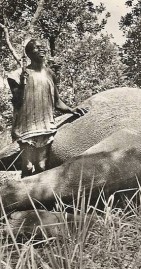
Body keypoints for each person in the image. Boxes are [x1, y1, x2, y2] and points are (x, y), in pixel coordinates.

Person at [7, 38, 87, 177]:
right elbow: (17, 102)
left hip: (45, 125)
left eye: (42, 47)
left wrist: (72, 110)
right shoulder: (17, 75)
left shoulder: (50, 74)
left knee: (42, 167)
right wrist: (21, 84)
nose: (41, 49)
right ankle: (22, 195)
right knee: (27, 166)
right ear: (29, 53)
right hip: (26, 127)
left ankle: (36, 198)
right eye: (36, 48)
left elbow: (56, 102)